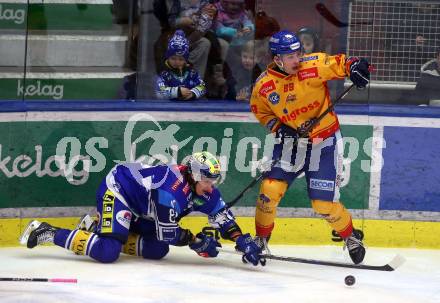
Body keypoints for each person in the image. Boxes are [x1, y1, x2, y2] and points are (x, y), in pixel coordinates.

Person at [249, 30, 370, 264]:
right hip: (291, 144)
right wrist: (278, 127)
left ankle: (350, 236)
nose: (297, 59)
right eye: (290, 56)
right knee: (269, 190)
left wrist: (356, 66)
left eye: (298, 53)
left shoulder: (312, 65)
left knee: (323, 204)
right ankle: (261, 239)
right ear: (277, 60)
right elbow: (260, 110)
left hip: (324, 142)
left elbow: (340, 63)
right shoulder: (264, 85)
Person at [20, 151, 264, 266]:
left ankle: (96, 226)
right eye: (208, 182)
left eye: (213, 182)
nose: (211, 188)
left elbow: (222, 217)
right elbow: (167, 232)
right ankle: (47, 231)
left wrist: (241, 239)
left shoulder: (201, 187)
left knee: (157, 251)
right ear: (193, 176)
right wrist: (195, 240)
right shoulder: (171, 190)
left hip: (142, 207)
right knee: (108, 252)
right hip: (119, 190)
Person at [155, 30, 206, 101]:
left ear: (185, 60)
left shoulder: (192, 72)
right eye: (173, 58)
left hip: (191, 108)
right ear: (168, 57)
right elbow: (158, 92)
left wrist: (193, 93)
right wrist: (178, 92)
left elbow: (202, 86)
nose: (177, 62)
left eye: (181, 59)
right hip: (168, 108)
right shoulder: (163, 73)